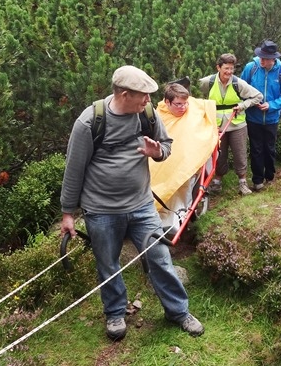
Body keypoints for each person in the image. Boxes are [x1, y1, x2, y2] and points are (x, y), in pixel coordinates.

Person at [60, 65, 204, 341]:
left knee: (160, 258)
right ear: (125, 94)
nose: (150, 101)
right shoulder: (90, 122)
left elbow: (166, 144)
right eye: (144, 96)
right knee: (108, 263)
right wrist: (68, 214)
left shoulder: (147, 115)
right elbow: (73, 170)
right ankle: (115, 313)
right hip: (101, 211)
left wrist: (158, 152)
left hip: (142, 206)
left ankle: (178, 311)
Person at [149, 83, 218, 230]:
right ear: (167, 102)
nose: (183, 107)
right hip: (161, 163)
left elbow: (205, 109)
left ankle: (174, 222)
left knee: (181, 182)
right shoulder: (159, 115)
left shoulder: (192, 110)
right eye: (178, 104)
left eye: (185, 103)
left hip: (185, 163)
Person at [199, 53, 263, 196]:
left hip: (237, 124)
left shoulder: (237, 83)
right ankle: (217, 182)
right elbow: (197, 96)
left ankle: (242, 183)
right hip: (216, 125)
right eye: (226, 68)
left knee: (240, 153)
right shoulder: (207, 82)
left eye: (231, 69)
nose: (229, 72)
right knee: (219, 155)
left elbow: (258, 96)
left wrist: (243, 105)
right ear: (218, 67)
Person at [240, 40, 281, 191]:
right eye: (261, 57)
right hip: (253, 117)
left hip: (271, 119)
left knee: (269, 148)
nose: (262, 60)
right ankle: (257, 180)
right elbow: (241, 90)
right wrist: (251, 102)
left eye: (265, 58)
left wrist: (271, 105)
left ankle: (270, 177)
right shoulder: (251, 68)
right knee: (256, 148)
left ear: (273, 59)